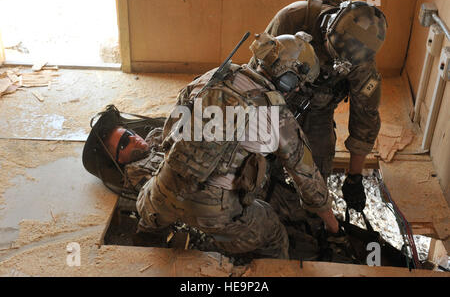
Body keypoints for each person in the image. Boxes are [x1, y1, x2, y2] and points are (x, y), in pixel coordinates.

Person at [100, 32, 347, 260]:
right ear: (288, 79)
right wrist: (333, 227)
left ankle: (146, 246)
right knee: (274, 232)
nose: (295, 89)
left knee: (154, 217)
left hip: (161, 196)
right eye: (297, 84)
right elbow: (307, 179)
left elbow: (171, 129)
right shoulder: (277, 113)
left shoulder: (213, 76)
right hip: (214, 212)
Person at [250, 0, 388, 213]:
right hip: (277, 101)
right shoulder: (292, 19)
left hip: (319, 110)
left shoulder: (363, 62)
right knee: (259, 166)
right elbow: (257, 75)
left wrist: (354, 177)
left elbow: (365, 120)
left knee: (316, 176)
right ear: (326, 30)